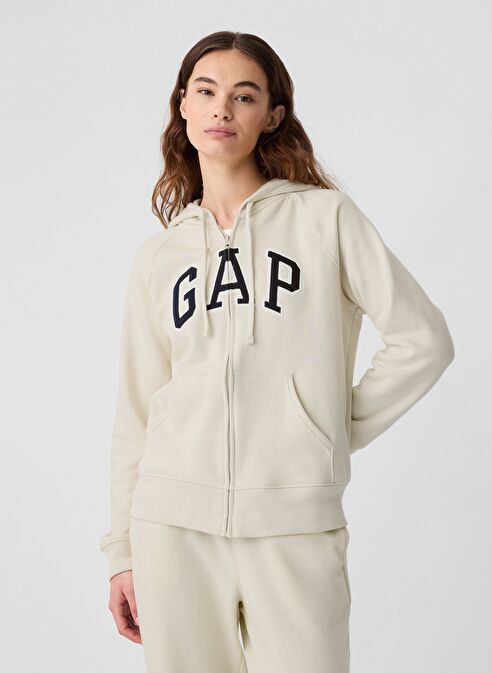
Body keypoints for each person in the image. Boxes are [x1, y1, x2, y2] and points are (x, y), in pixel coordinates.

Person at [98, 30, 454, 673]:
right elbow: (138, 409)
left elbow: (423, 340)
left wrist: (327, 428)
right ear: (183, 105)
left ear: (272, 116)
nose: (222, 109)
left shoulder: (326, 220)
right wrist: (122, 549)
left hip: (295, 521)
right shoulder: (159, 256)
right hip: (171, 526)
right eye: (206, 91)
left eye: (244, 96)